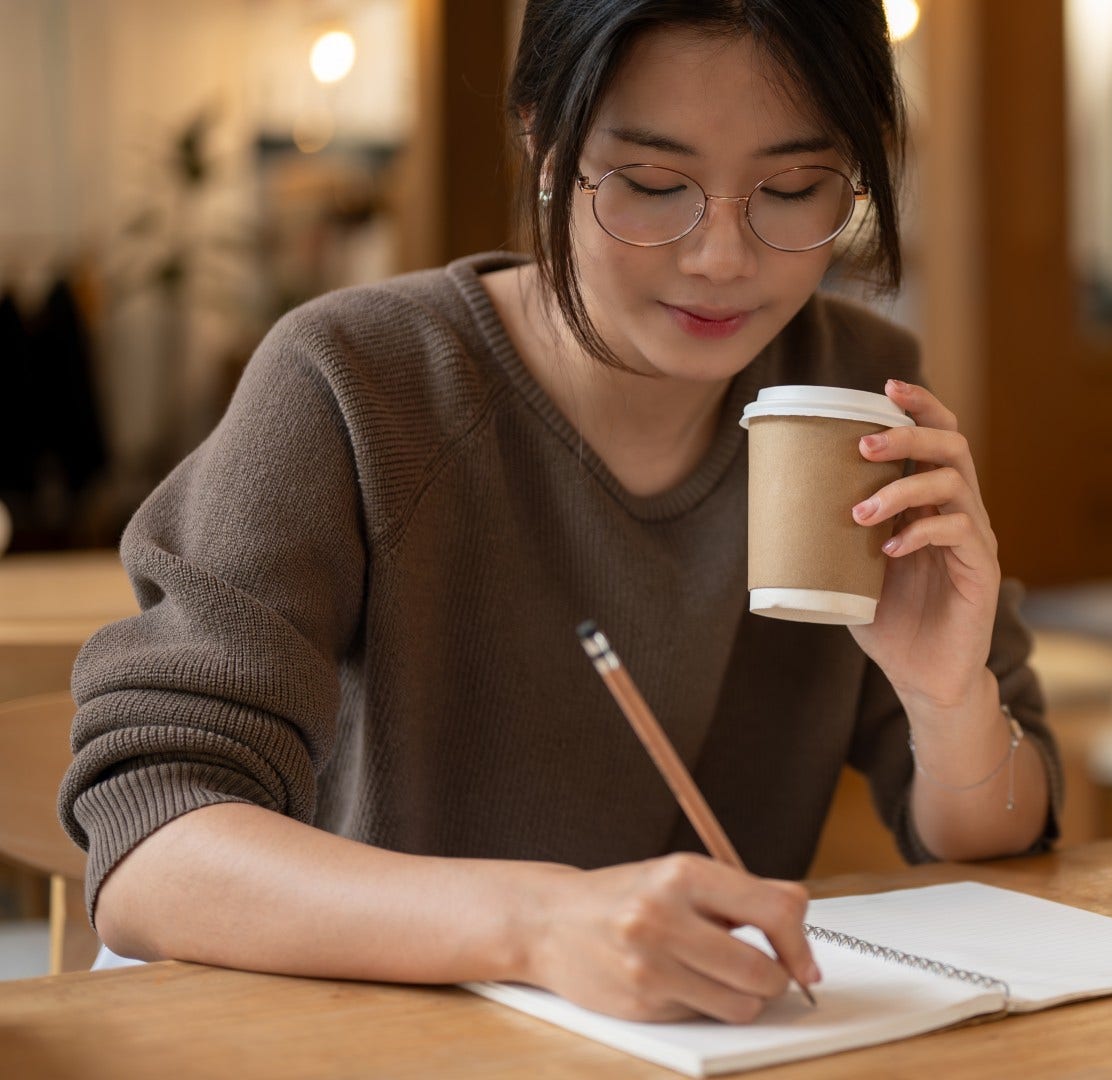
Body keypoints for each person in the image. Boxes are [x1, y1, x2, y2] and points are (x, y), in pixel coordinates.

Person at [57, 0, 1060, 1025]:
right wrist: (539, 926)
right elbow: (150, 849)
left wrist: (948, 699)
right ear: (545, 144)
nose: (722, 257)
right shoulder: (359, 382)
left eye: (795, 188)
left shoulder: (849, 399)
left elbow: (999, 836)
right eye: (653, 184)